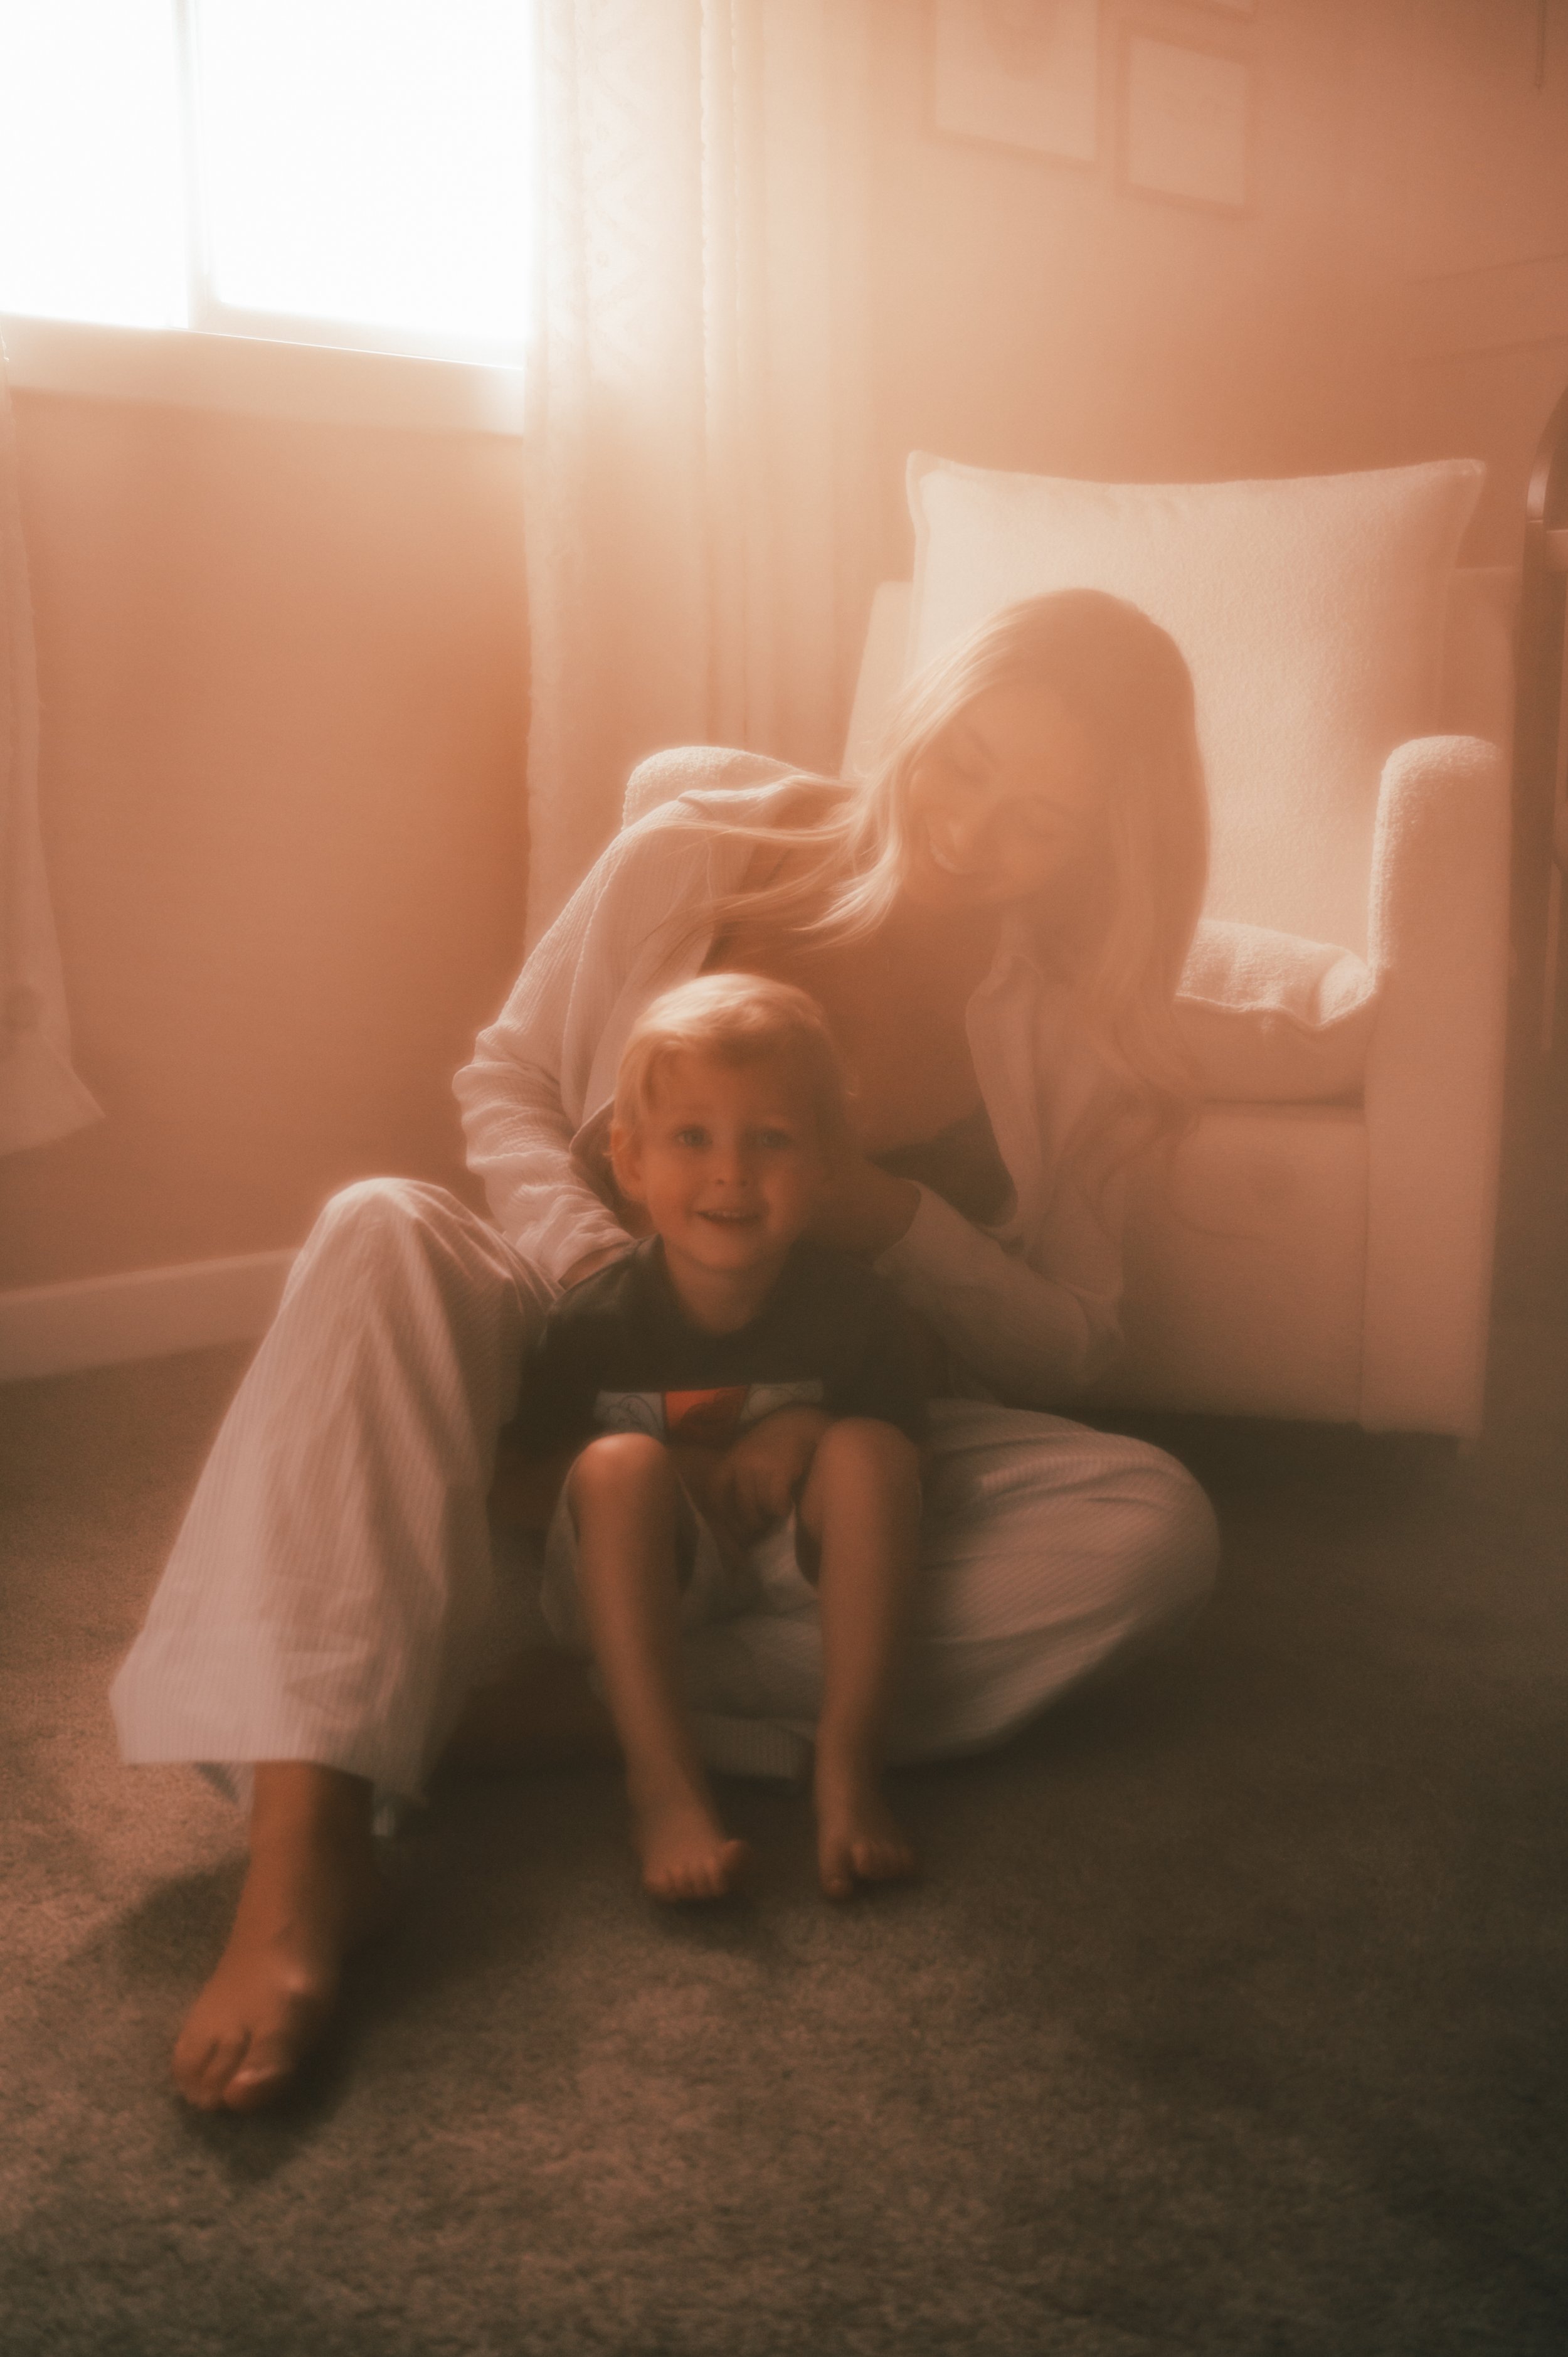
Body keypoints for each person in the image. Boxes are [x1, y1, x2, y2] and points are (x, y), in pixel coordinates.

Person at [111, 585, 1221, 2114]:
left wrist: (891, 1216)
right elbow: (505, 1078)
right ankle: (307, 1855)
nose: (973, 831)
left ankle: (521, 1706)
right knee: (378, 1224)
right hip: (575, 1385)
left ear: (1099, 845)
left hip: (817, 1454)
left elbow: (1076, 1347)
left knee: (1148, 1527)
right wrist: (603, 1287)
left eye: (1041, 818)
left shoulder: (1079, 1032)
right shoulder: (696, 855)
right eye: (965, 762)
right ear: (919, 712)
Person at [517, 969, 929, 1904]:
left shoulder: (855, 1306)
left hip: (795, 1567)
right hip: (643, 1579)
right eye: (691, 1137)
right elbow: (507, 1485)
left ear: (827, 1164)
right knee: (619, 1463)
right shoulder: (597, 1320)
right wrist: (676, 1470)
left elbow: (912, 1467)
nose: (731, 1172)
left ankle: (848, 1764)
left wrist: (810, 1426)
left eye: (772, 1139)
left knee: (868, 1448)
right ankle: (663, 1786)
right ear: (629, 1160)